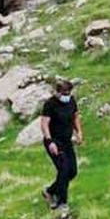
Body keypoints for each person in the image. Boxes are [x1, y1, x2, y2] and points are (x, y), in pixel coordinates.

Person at [40, 79, 83, 210]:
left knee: (72, 172)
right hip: (54, 142)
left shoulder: (71, 101)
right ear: (57, 92)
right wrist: (50, 141)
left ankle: (50, 191)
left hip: (67, 141)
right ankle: (62, 203)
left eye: (68, 93)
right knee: (63, 170)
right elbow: (44, 124)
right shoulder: (50, 104)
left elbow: (75, 117)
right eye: (64, 93)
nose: (66, 96)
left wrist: (79, 132)